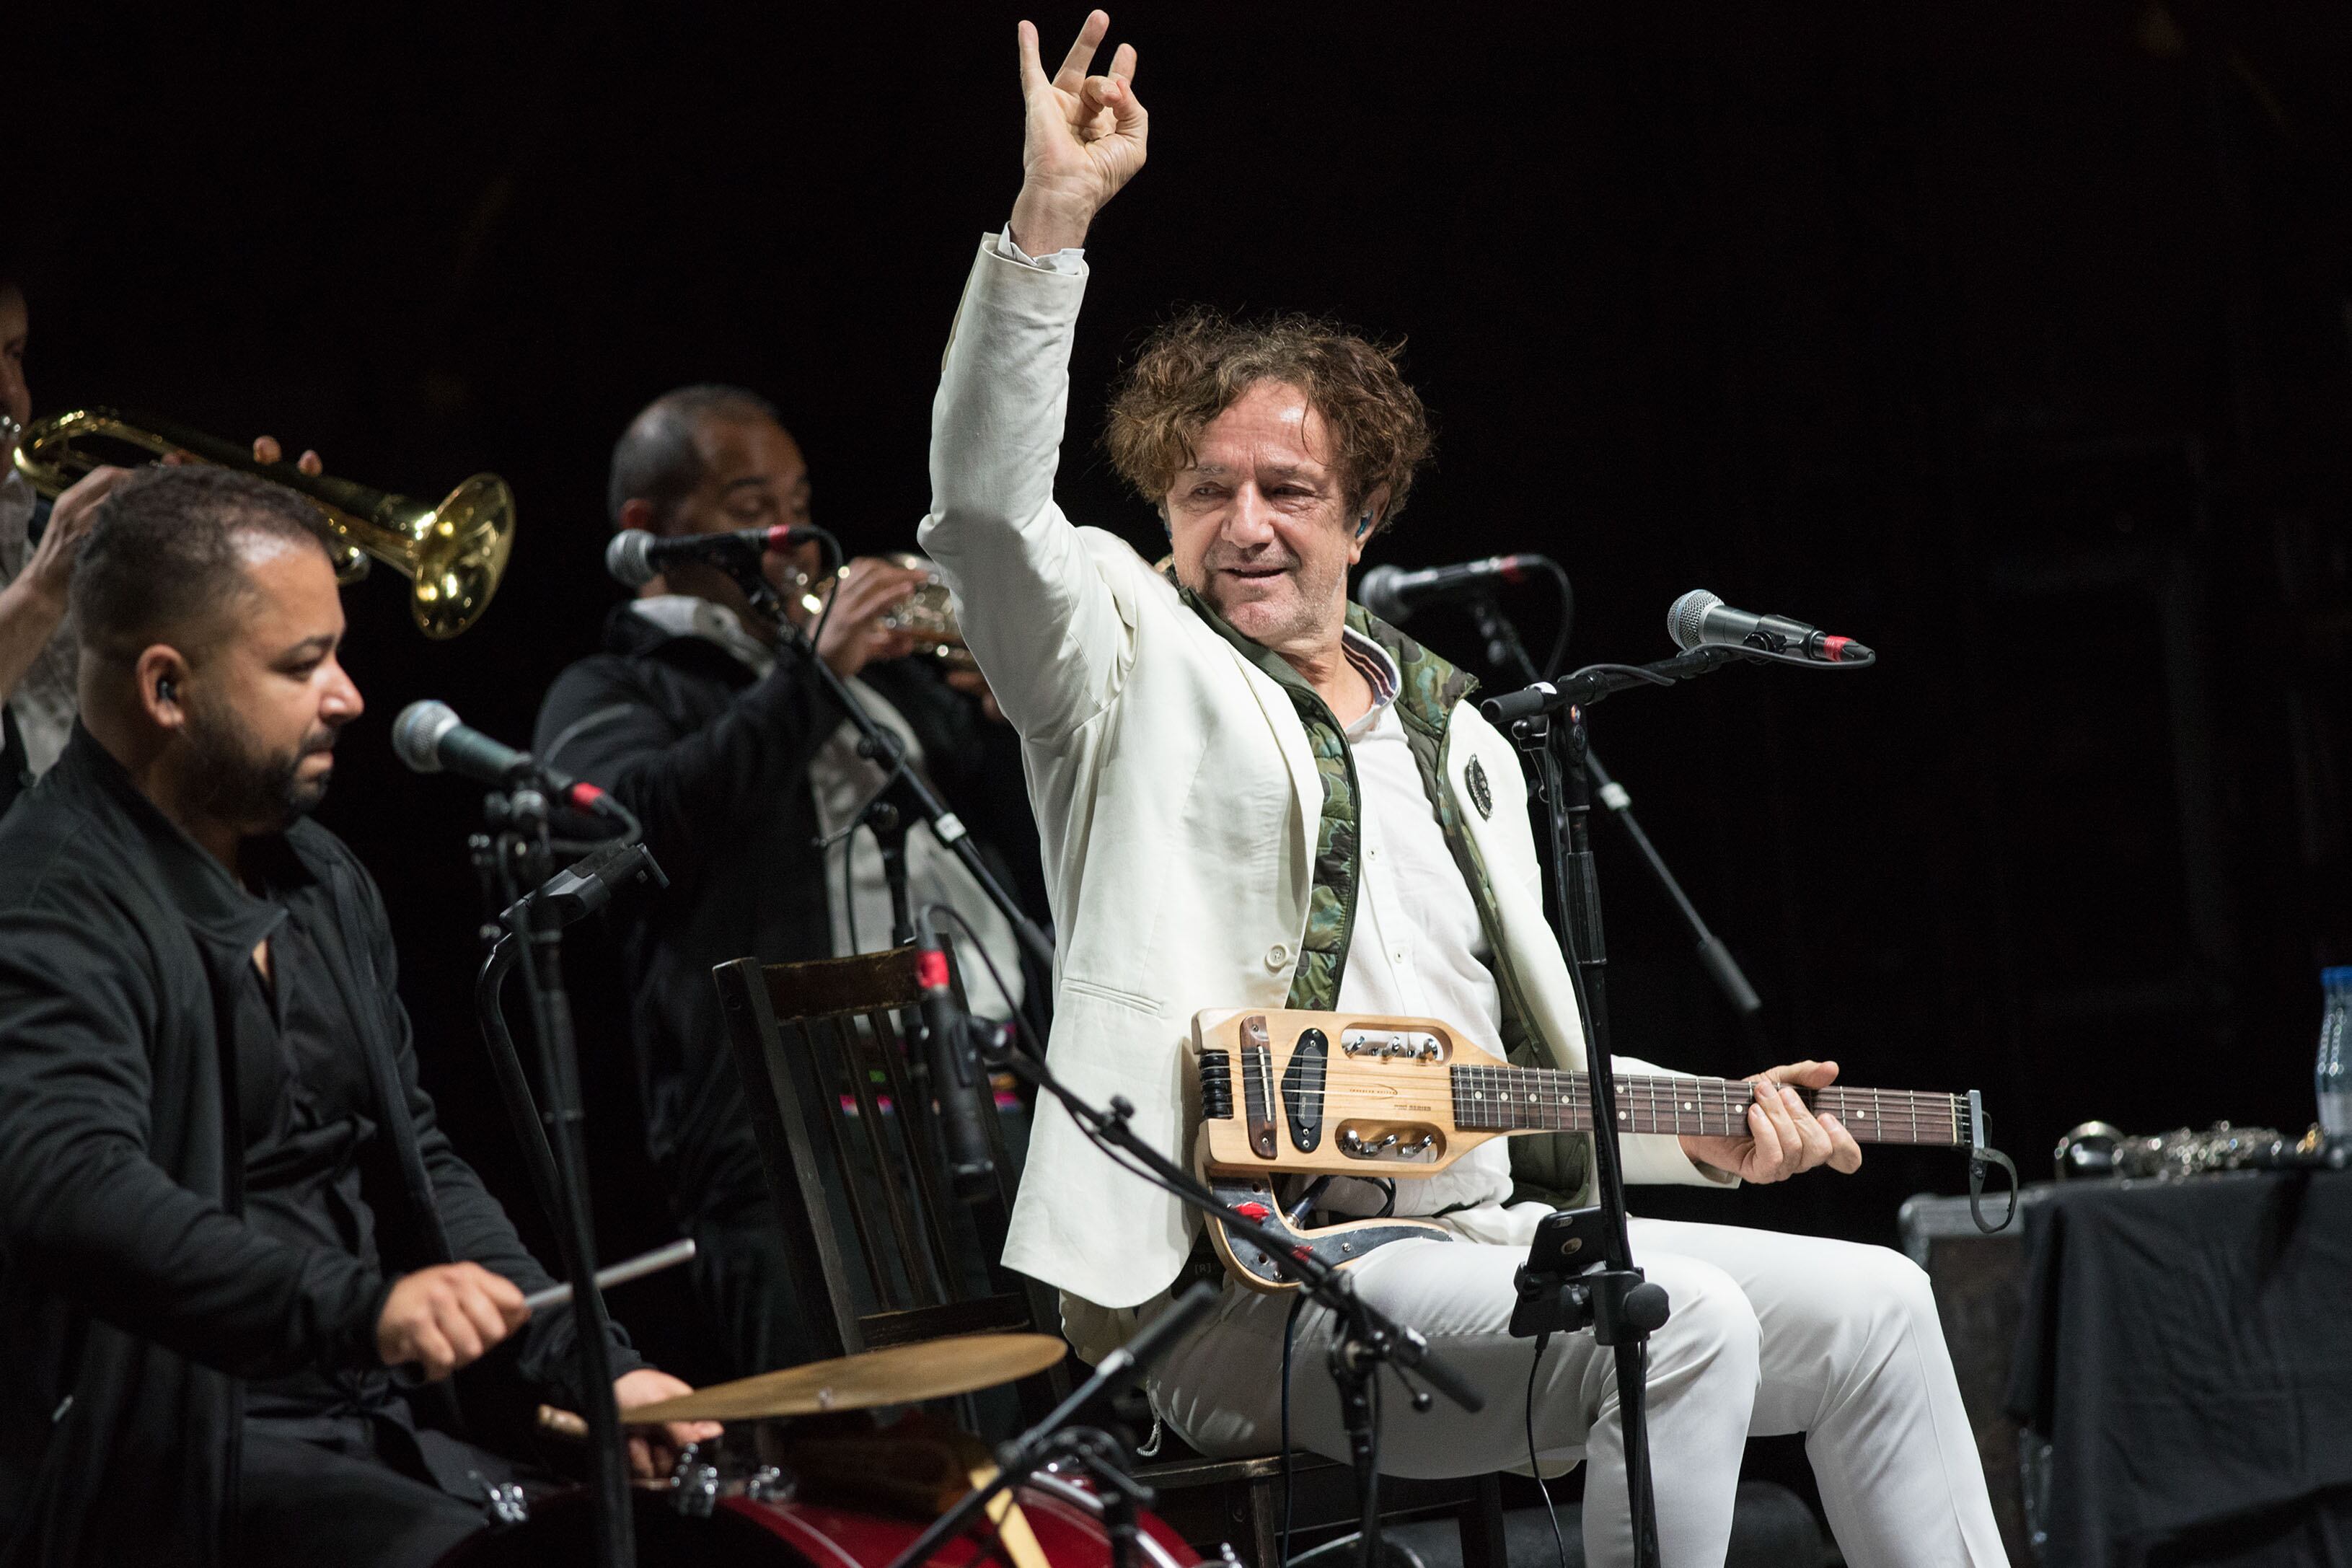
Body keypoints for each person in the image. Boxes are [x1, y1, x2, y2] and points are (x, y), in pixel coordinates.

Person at [915, 14, 2008, 1566]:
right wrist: (1051, 225)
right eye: (1203, 488)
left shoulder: (1463, 736)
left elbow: (1500, 1074)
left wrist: (1704, 1127)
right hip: (1238, 1283)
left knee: (1883, 1300)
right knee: (1673, 1321)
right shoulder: (1115, 655)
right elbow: (980, 504)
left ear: (1363, 512)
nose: (1243, 523)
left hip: (1474, 1240)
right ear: (1158, 502)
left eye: (1286, 490)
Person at [0, 465, 720, 1568]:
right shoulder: (48, 897)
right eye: (303, 665)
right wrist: (363, 1306)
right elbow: (66, 1181)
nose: (350, 695)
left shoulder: (319, 877)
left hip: (368, 1425)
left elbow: (420, 1159)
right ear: (164, 687)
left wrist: (596, 1366)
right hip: (176, 1452)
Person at [534, 384, 1042, 1378]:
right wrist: (811, 675)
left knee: (1037, 1434)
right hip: (796, 1141)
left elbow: (1006, 839)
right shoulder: (615, 686)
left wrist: (1009, 704)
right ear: (651, 528)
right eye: (747, 502)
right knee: (863, 1461)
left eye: (798, 497)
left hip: (984, 1090)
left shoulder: (877, 677)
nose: (791, 535)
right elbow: (634, 824)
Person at [0, 272, 320, 816]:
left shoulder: (46, 527)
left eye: (15, 353)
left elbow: (193, 712)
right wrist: (42, 589)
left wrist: (265, 564)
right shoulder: (55, 554)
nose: (9, 390)